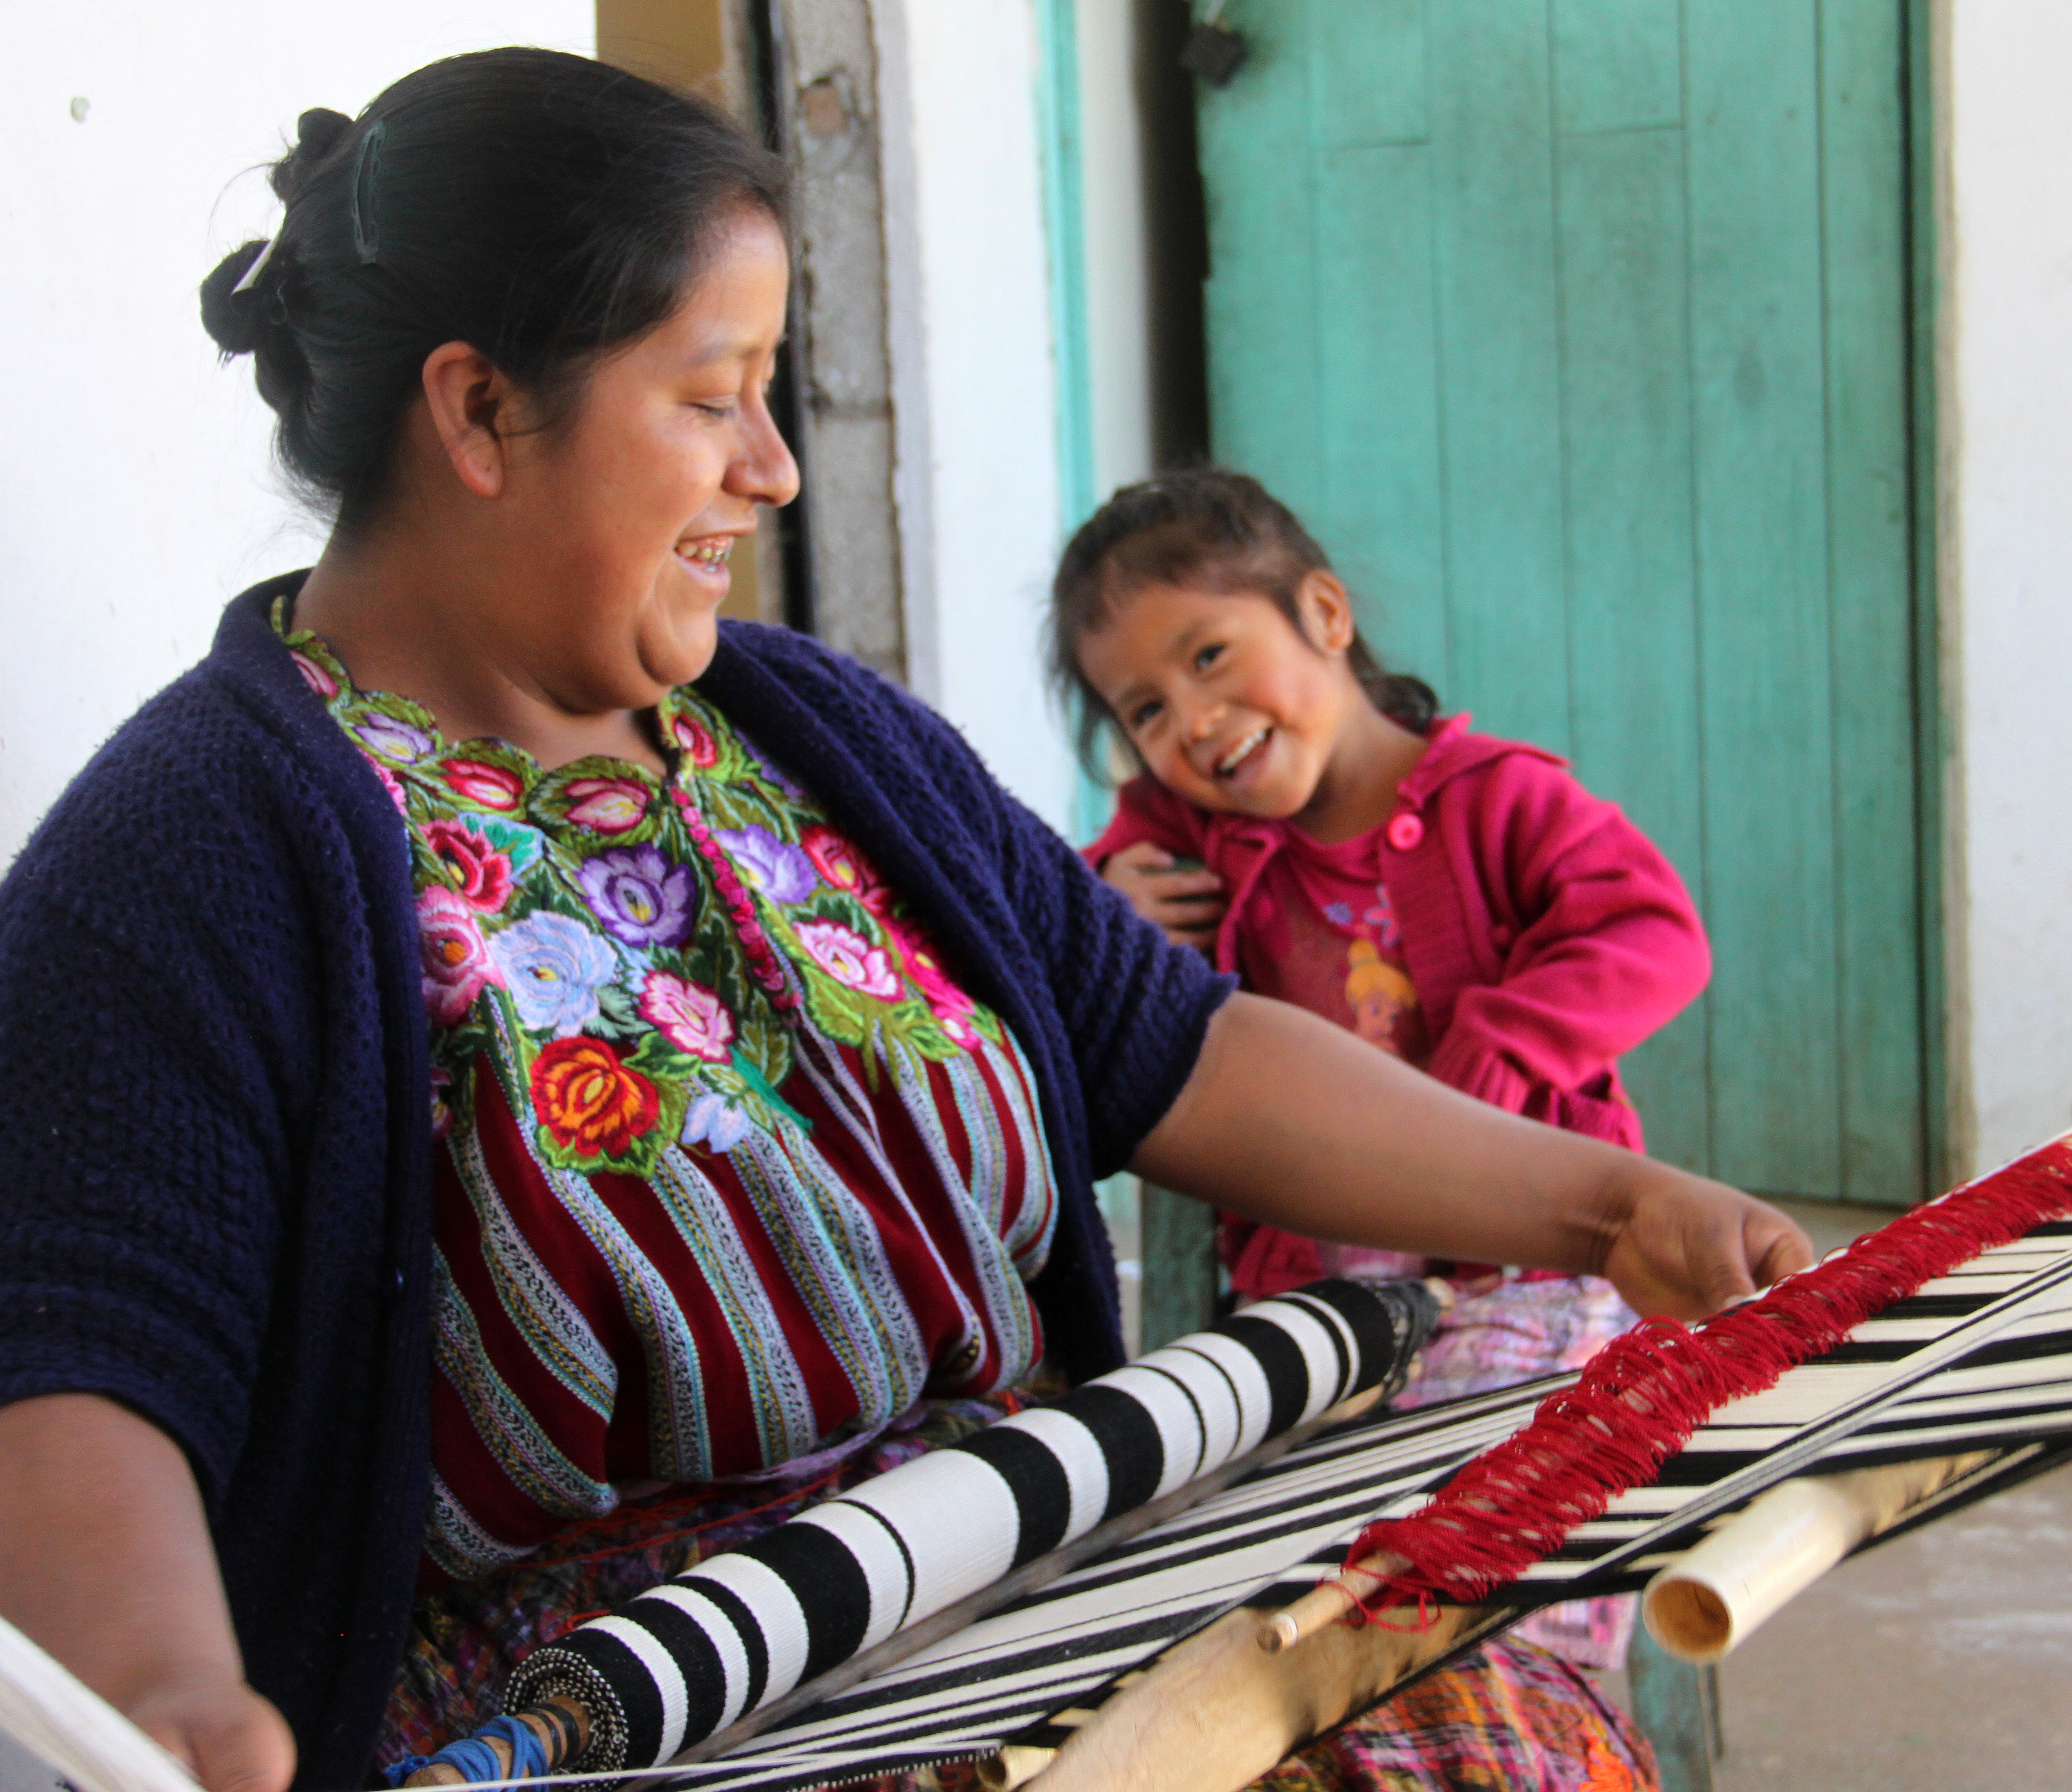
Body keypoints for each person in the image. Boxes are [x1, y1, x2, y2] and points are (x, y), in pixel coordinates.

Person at [0, 51, 1809, 1792]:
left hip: (1038, 1563)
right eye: (714, 395)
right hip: (656, 1693)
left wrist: (1607, 1201)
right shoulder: (201, 849)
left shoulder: (811, 731)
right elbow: (79, 1355)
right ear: (479, 411)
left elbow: (1170, 1046)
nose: (773, 468)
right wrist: (165, 1694)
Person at [1052, 469, 1708, 1674]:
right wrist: (1111, 897)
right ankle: (1371, 1714)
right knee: (1261, 1546)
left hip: (1530, 1253)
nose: (1191, 722)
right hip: (1318, 1277)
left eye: (1210, 655)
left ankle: (1516, 1710)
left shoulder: (1501, 799)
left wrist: (1505, 1042)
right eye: (1143, 707)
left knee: (1496, 1511)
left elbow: (1654, 932)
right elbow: (1067, 937)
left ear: (1326, 613)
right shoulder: (1193, 836)